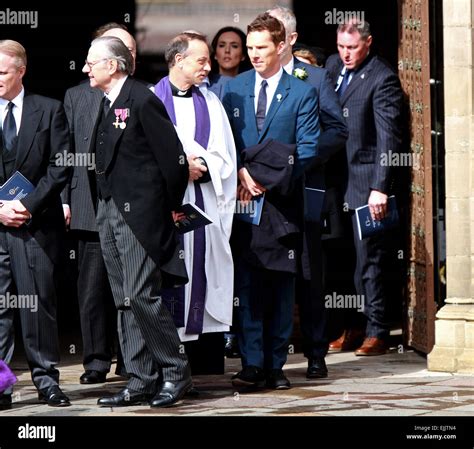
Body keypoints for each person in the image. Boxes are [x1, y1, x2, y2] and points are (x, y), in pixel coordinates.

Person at [83, 36, 192, 407]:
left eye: (91, 63)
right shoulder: (106, 102)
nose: (85, 69)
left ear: (112, 66)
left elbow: (173, 160)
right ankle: (140, 378)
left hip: (141, 215)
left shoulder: (142, 99)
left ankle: (175, 372)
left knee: (143, 295)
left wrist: (171, 207)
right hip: (109, 211)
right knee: (124, 299)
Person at [223, 13, 320, 390]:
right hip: (242, 203)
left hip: (282, 206)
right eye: (249, 48)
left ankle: (277, 366)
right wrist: (241, 174)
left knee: (281, 290)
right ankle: (251, 365)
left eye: (261, 48)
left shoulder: (303, 92)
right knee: (246, 289)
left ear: (281, 46)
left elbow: (308, 150)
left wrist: (262, 175)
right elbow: (222, 144)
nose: (253, 55)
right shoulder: (231, 89)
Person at [268, 5, 348, 379]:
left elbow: (338, 130)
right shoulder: (251, 81)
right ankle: (268, 357)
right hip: (264, 195)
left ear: (291, 39)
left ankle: (316, 352)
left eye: (276, 32)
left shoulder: (315, 78)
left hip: (305, 190)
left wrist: (300, 154)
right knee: (268, 275)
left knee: (309, 275)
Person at [61, 23, 136, 386]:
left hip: (125, 209)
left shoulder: (139, 96)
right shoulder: (76, 96)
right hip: (86, 204)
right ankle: (95, 360)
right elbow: (63, 150)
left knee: (128, 289)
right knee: (91, 291)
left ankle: (130, 357)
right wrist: (63, 199)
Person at [325, 20, 403, 355]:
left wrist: (380, 187)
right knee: (341, 261)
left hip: (364, 184)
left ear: (368, 43)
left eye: (353, 47)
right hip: (334, 185)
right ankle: (352, 327)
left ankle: (378, 330)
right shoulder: (331, 66)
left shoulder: (382, 79)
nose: (346, 53)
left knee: (369, 260)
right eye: (342, 46)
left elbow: (389, 137)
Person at [0, 40, 71, 407]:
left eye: (2, 72)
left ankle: (46, 380)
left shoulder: (49, 109)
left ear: (21, 70)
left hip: (36, 226)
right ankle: (0, 385)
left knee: (37, 304)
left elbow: (60, 166)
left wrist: (26, 205)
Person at [154, 32, 236, 343]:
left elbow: (225, 153)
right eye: (201, 60)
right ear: (178, 60)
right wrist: (178, 167)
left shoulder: (211, 101)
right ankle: (167, 357)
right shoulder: (151, 99)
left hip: (202, 198)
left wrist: (200, 166)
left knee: (200, 269)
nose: (208, 67)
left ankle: (201, 352)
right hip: (166, 202)